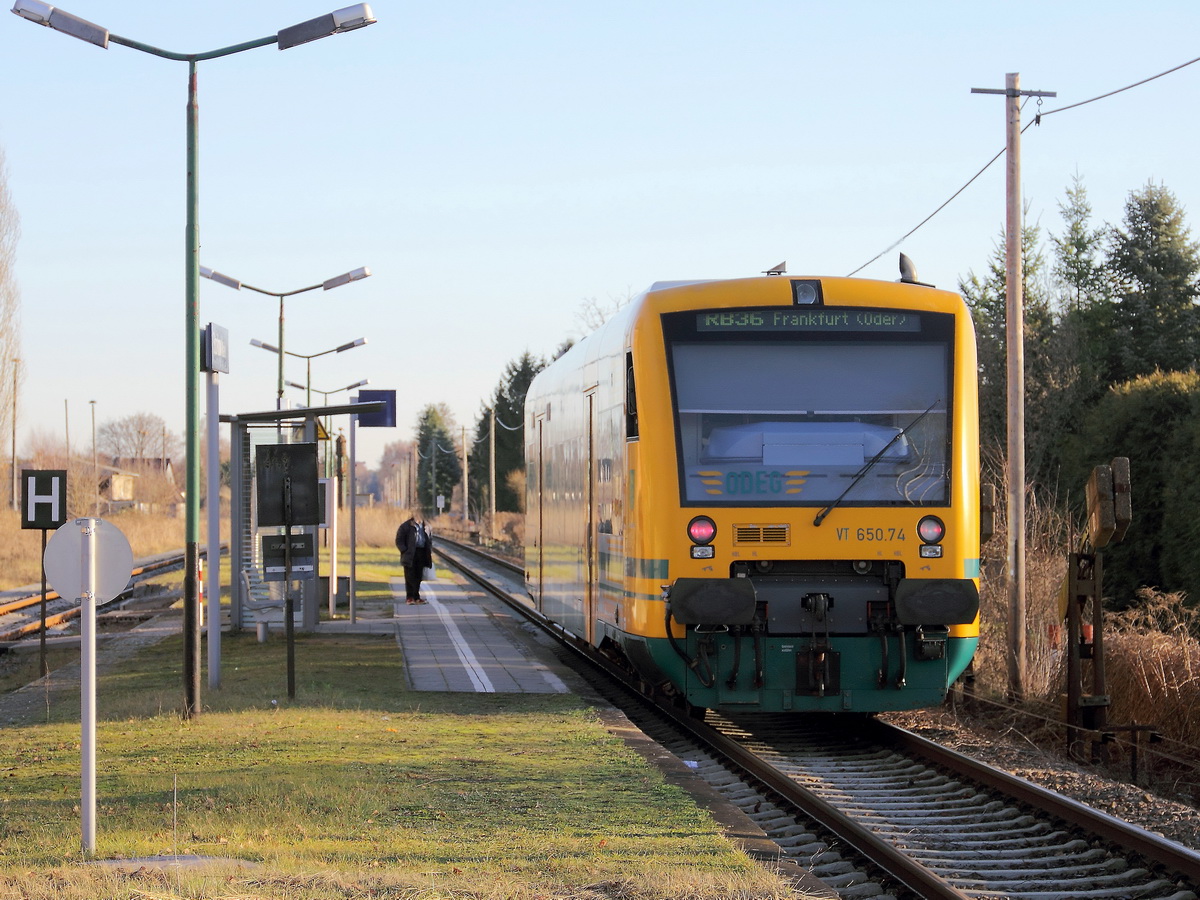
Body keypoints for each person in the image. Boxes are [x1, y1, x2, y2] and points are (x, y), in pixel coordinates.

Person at [395, 513, 433, 605]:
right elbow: (399, 540)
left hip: (422, 553)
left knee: (418, 576)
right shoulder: (406, 526)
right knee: (409, 576)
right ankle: (409, 597)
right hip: (410, 553)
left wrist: (428, 551)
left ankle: (416, 597)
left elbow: (429, 539)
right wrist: (404, 550)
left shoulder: (426, 526)